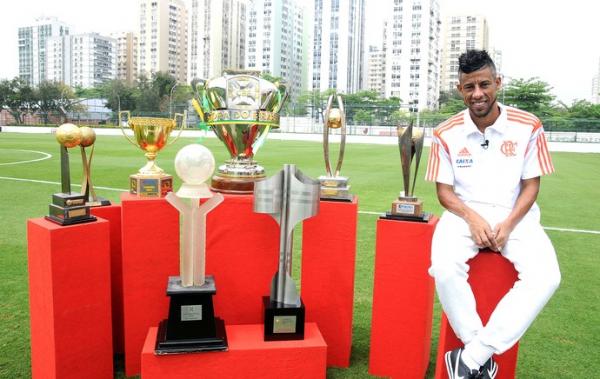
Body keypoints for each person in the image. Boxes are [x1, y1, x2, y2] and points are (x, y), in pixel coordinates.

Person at [425, 50, 561, 379]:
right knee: (443, 268)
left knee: (547, 277)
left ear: (498, 83)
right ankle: (476, 354)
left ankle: (473, 356)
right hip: (463, 214)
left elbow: (531, 186)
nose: (477, 94)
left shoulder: (529, 125)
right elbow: (444, 193)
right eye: (469, 87)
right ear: (460, 89)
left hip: (516, 215)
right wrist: (472, 218)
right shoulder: (445, 132)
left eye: (484, 84)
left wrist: (509, 224)